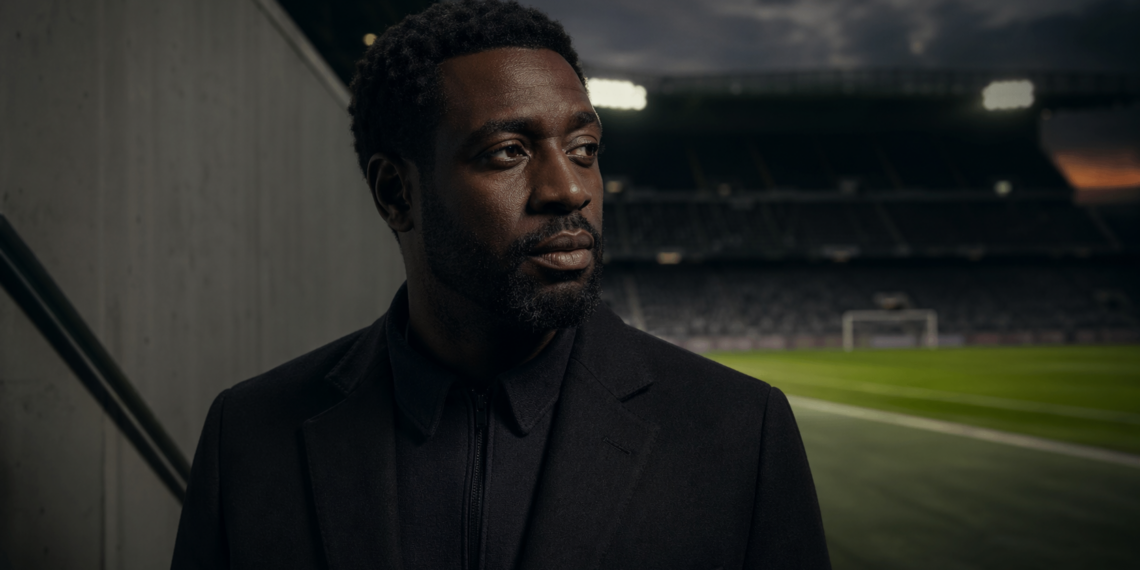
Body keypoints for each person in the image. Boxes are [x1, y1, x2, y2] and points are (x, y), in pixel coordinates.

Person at [170, 1, 830, 568]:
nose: (569, 189)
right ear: (396, 193)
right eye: (507, 153)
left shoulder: (740, 433)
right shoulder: (251, 437)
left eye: (585, 149)